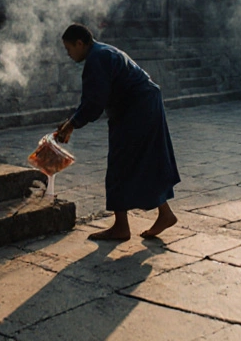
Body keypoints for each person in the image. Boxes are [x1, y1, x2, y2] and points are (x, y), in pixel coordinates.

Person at [55, 23, 180, 241]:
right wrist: (72, 122)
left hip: (137, 109)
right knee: (143, 161)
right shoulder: (103, 52)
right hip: (142, 106)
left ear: (80, 43)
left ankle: (121, 227)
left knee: (119, 164)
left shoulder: (97, 58)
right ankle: (165, 214)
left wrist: (71, 124)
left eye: (69, 49)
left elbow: (94, 102)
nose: (69, 54)